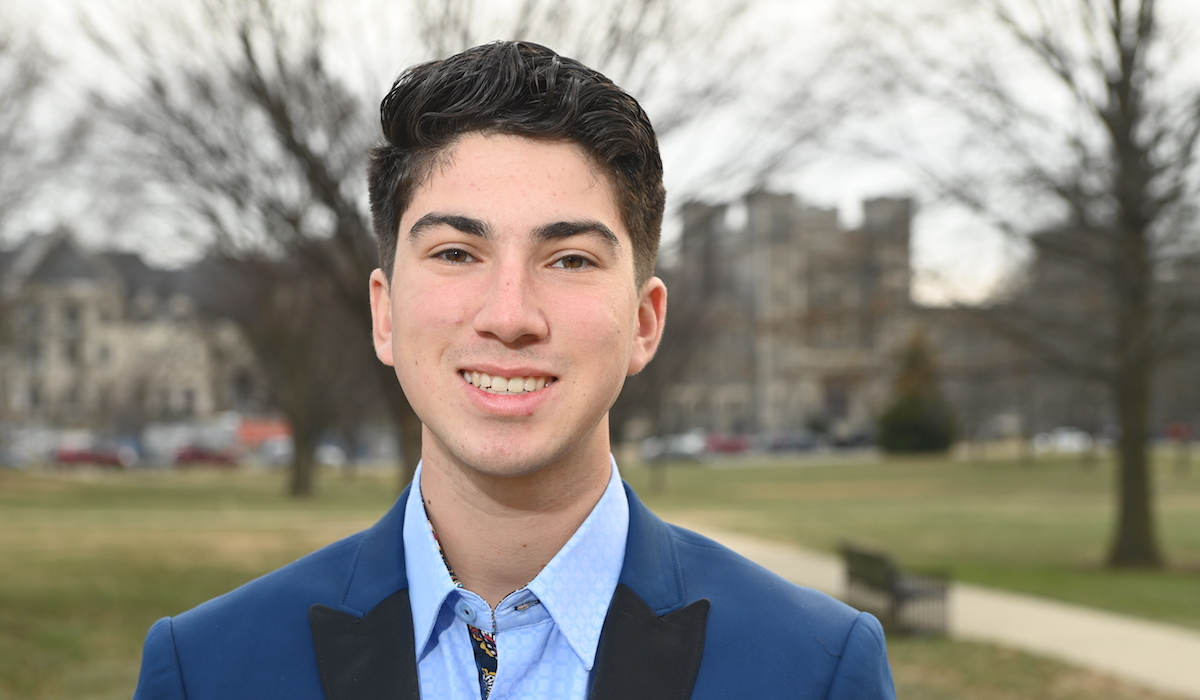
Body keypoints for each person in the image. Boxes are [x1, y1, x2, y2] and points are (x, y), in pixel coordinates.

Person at [132, 41, 896, 700]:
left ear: (644, 322)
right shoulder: (207, 669)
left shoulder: (813, 669)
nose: (509, 314)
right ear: (385, 314)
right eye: (457, 253)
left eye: (568, 258)